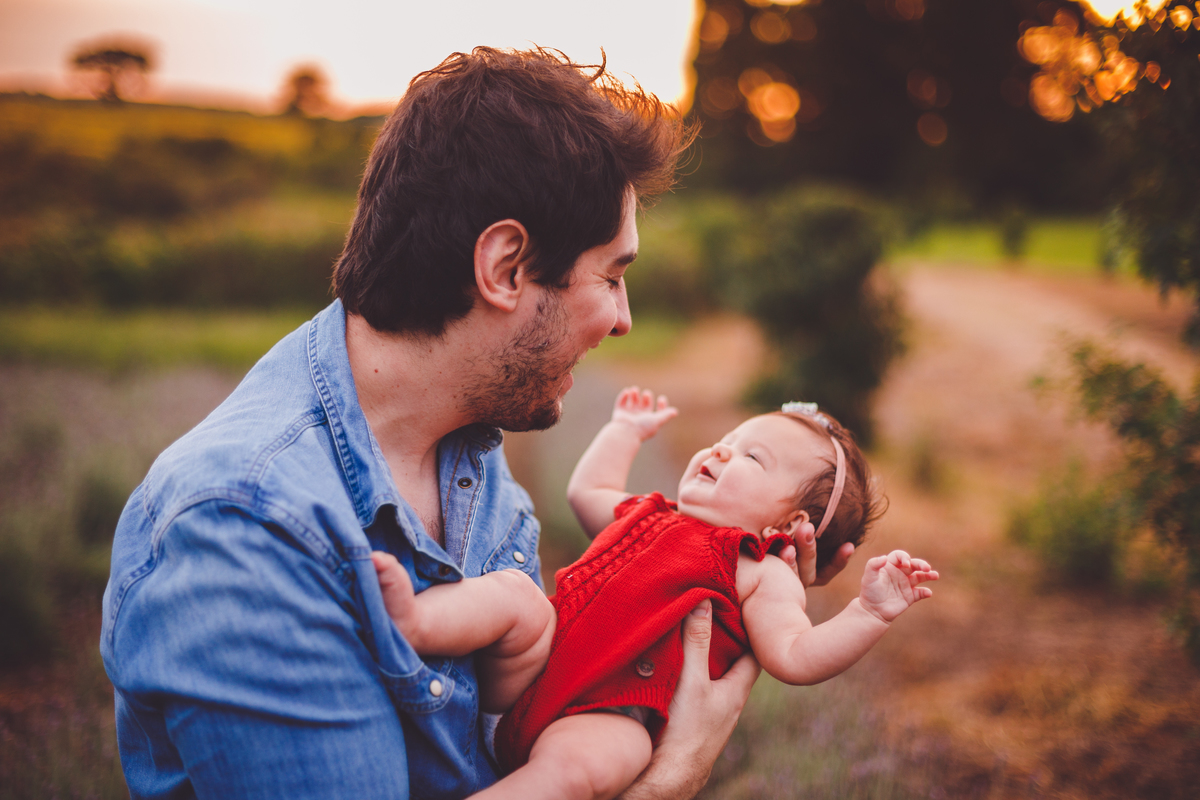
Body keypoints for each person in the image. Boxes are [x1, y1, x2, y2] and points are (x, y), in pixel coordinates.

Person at [100, 47, 852, 800]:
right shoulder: (250, 530)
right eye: (613, 276)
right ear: (505, 268)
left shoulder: (467, 446)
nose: (623, 319)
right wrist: (670, 779)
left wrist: (742, 580)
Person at [372, 387, 937, 800]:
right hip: (530, 671)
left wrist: (869, 611)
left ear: (787, 526)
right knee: (517, 597)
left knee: (577, 772)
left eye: (751, 457)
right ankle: (415, 622)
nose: (718, 452)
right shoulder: (651, 512)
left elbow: (794, 655)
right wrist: (624, 432)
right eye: (726, 441)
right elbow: (588, 490)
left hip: (607, 714)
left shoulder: (758, 571)